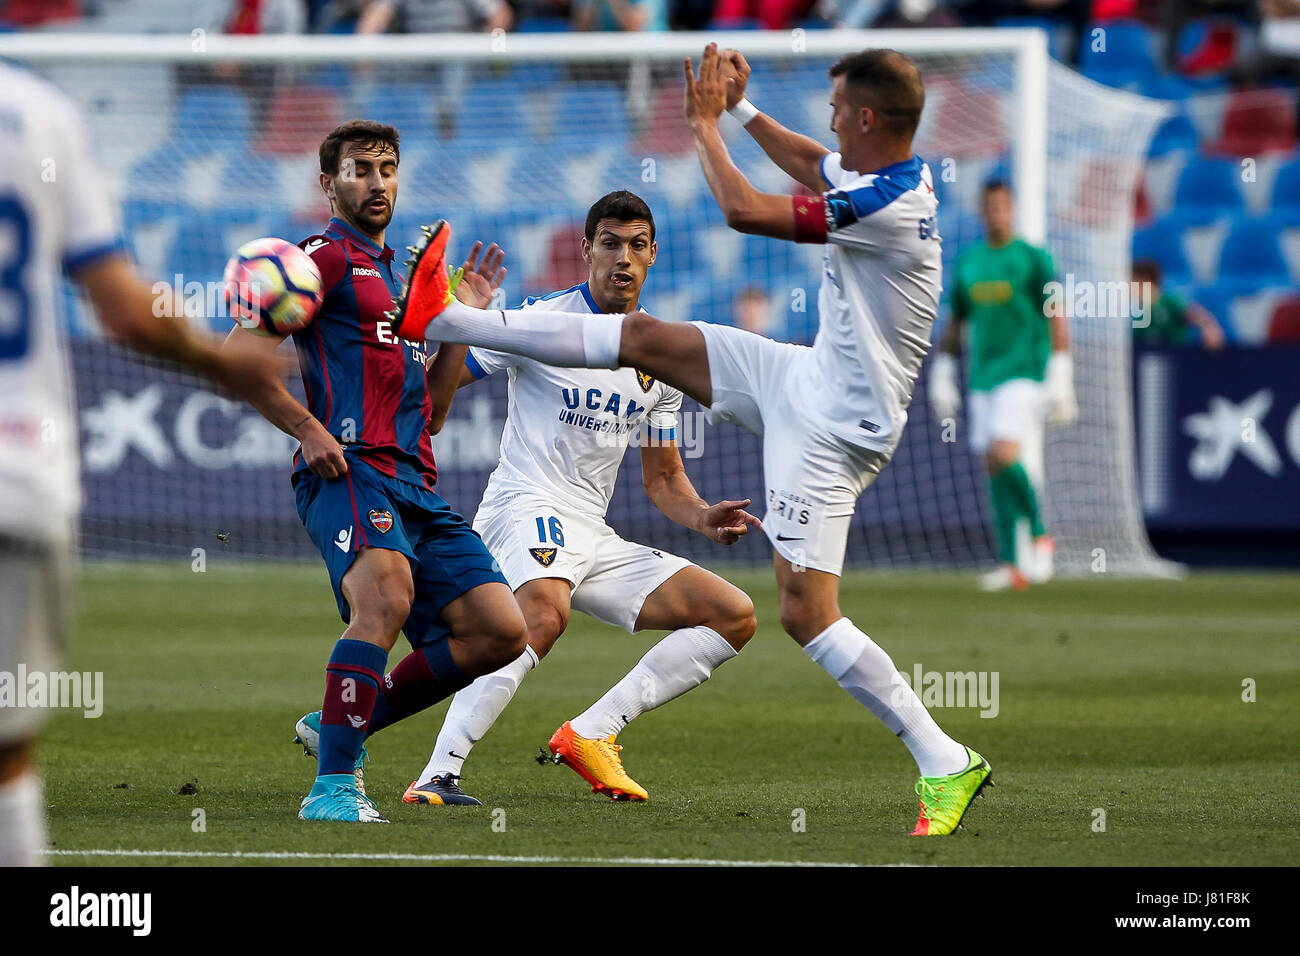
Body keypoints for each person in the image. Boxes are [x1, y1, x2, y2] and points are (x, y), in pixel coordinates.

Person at [390, 45, 993, 835]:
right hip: (797, 378)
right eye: (612, 242)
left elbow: (744, 209)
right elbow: (813, 161)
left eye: (841, 106)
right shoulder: (885, 175)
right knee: (642, 336)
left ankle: (944, 760)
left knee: (801, 614)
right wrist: (742, 112)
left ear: (870, 117)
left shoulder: (888, 207)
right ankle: (556, 741)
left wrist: (705, 124)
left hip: (835, 423)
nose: (832, 120)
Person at [0, 63, 284, 865]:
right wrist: (219, 360)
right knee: (6, 755)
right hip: (20, 471)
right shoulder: (39, 113)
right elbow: (126, 309)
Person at [406, 190, 758, 806]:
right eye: (611, 244)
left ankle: (593, 732)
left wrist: (703, 516)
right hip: (525, 505)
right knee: (541, 617)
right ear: (587, 248)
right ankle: (439, 772)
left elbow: (663, 480)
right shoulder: (544, 320)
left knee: (733, 615)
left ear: (653, 255)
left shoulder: (658, 355)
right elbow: (442, 386)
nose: (624, 258)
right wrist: (462, 319)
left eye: (637, 245)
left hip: (590, 532)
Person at [224, 120, 527, 823]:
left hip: (416, 480)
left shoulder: (409, 279)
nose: (377, 181)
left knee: (499, 630)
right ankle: (331, 790)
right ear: (328, 184)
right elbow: (239, 357)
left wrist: (460, 320)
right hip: (347, 468)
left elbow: (439, 410)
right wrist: (307, 429)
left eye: (387, 167)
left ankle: (334, 720)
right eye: (360, 169)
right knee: (384, 601)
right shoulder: (317, 261)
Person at [929, 181, 1075, 591]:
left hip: (1025, 370)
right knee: (994, 465)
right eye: (989, 205)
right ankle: (1013, 564)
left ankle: (1042, 535)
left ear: (1012, 210)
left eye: (1003, 206)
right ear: (982, 210)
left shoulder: (1033, 258)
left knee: (1003, 450)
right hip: (983, 376)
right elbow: (957, 319)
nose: (996, 212)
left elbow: (1055, 313)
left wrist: (1061, 371)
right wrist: (943, 367)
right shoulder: (970, 262)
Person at [1130, 259, 1226, 349]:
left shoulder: (1170, 301)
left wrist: (1209, 329)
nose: (1130, 289)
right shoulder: (1138, 310)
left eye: (1133, 283)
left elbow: (1197, 316)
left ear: (1144, 282)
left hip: (1177, 356)